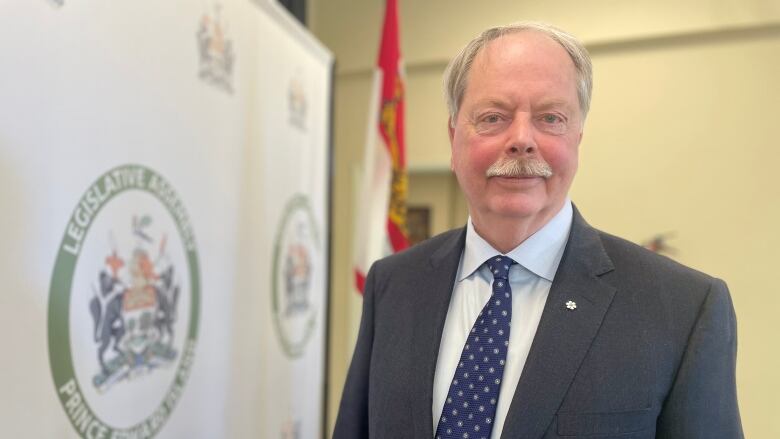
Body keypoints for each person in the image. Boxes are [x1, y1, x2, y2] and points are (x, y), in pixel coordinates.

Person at [334, 22, 742, 439]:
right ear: (453, 136)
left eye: (551, 118)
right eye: (494, 117)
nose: (522, 140)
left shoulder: (683, 309)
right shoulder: (393, 284)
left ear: (578, 136)